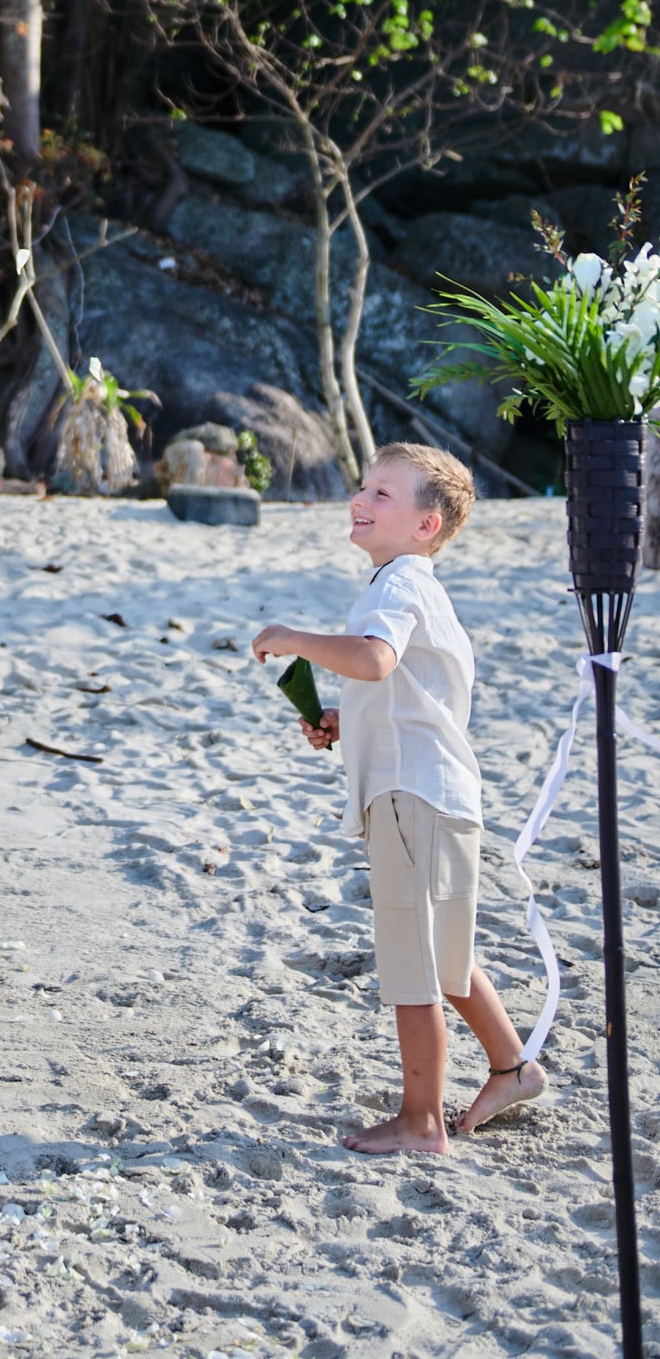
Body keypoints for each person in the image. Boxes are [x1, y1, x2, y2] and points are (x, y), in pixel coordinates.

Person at [251, 442, 545, 1155]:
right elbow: (403, 690)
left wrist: (295, 638)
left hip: (414, 795)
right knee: (444, 950)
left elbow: (374, 658)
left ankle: (421, 1121)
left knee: (413, 965)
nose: (361, 498)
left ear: (425, 525)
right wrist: (342, 720)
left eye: (382, 493)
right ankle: (512, 1066)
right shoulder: (410, 584)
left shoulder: (400, 585)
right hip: (440, 792)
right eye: (363, 486)